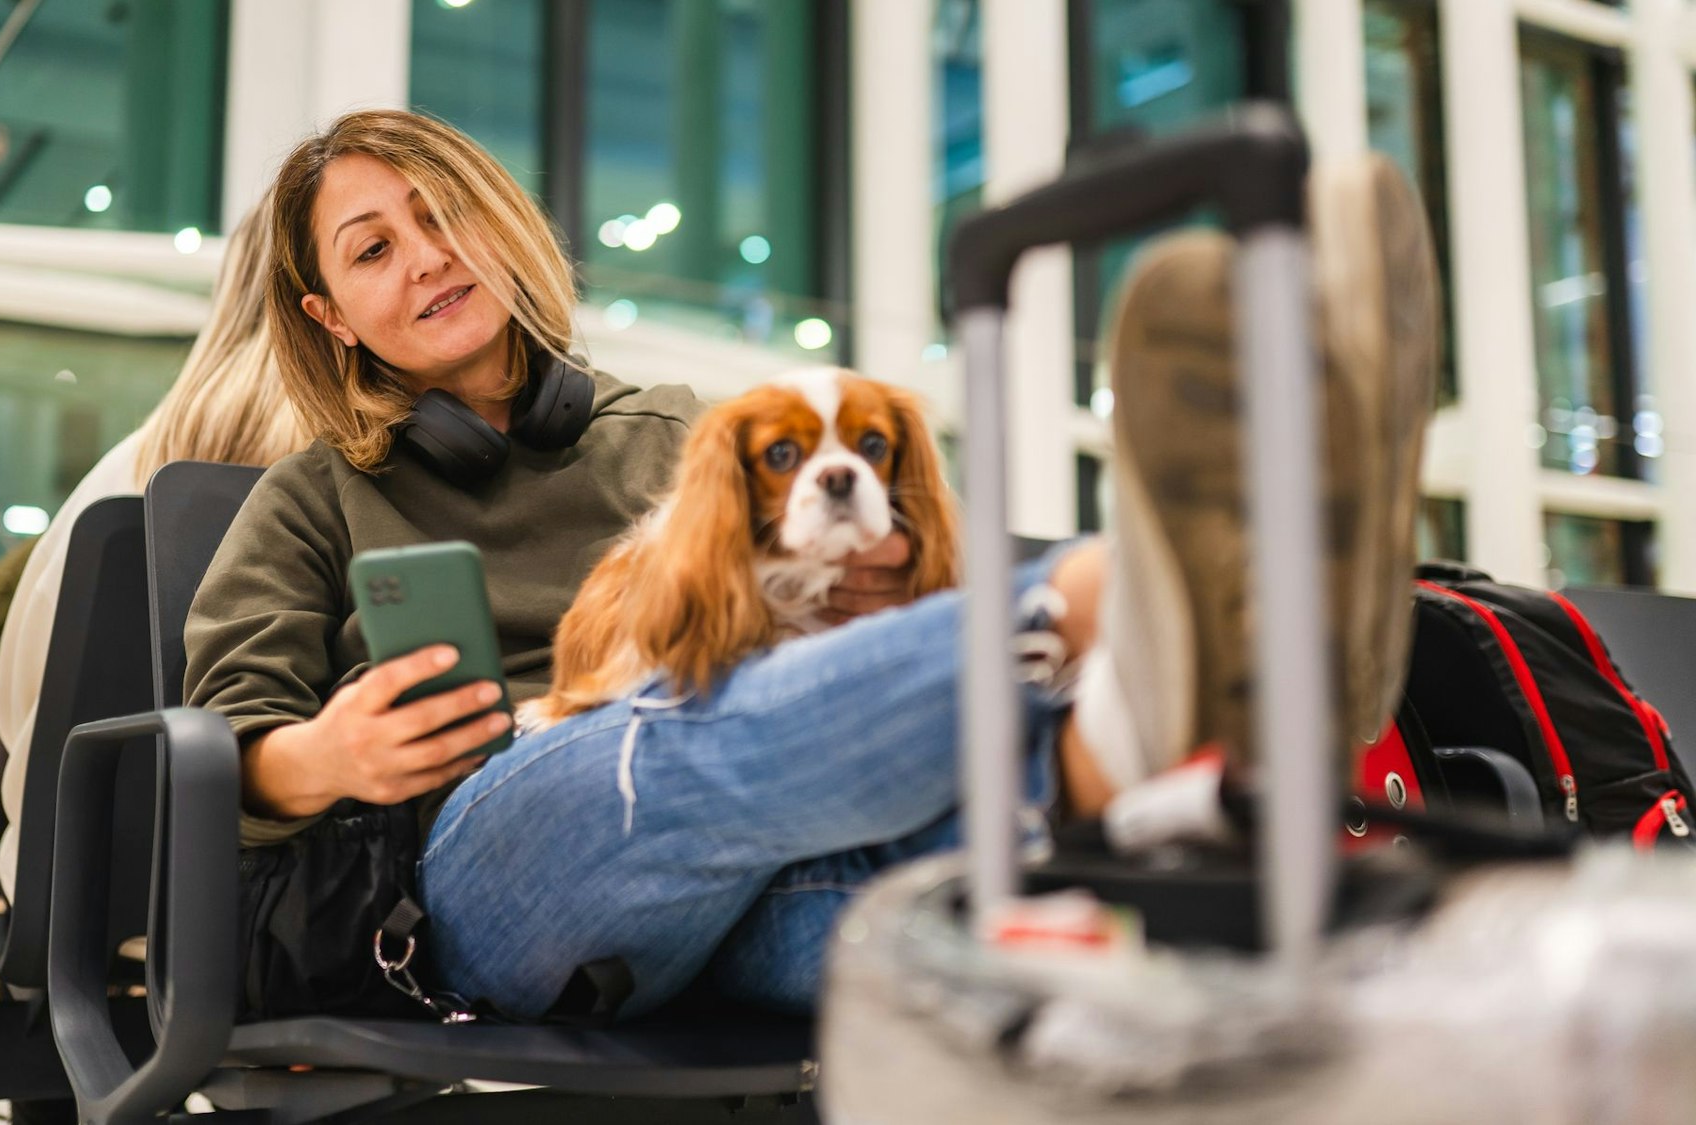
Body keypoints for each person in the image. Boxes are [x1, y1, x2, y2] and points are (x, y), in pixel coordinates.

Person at [184, 108, 1439, 1019]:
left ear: (501, 223)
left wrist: (867, 606)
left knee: (942, 904)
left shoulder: (679, 433)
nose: (425, 255)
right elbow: (213, 750)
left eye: (441, 213)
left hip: (748, 885)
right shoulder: (310, 500)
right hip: (478, 872)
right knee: (669, 726)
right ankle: (1134, 608)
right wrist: (321, 757)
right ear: (329, 319)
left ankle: (1157, 732)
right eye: (370, 249)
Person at [0, 192, 313, 901]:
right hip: (281, 914)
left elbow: (21, 713)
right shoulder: (366, 483)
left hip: (76, 895)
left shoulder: (121, 474)